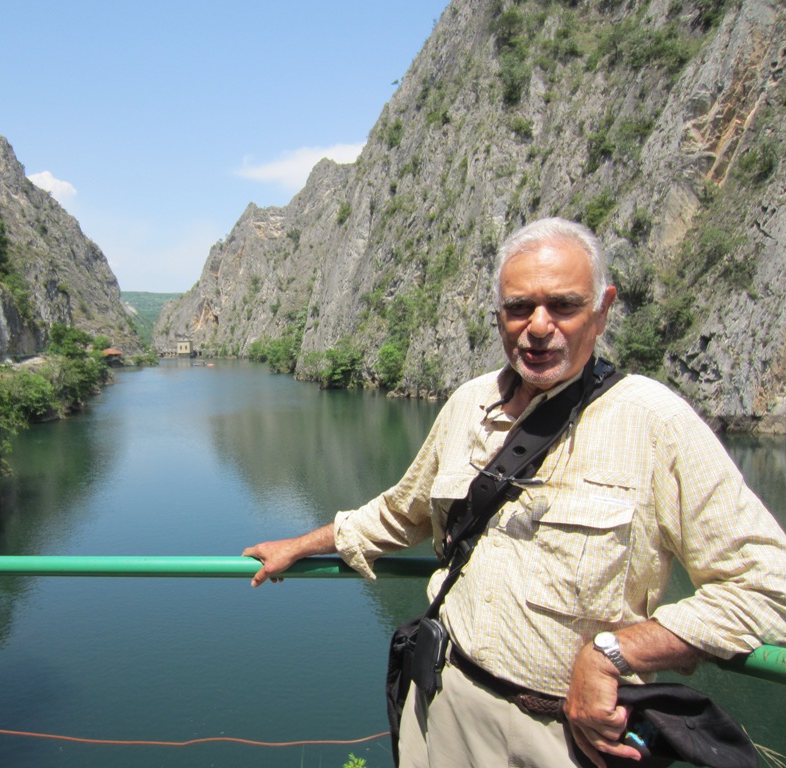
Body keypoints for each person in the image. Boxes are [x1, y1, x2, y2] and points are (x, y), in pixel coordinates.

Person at [243, 217, 786, 768]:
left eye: (564, 306)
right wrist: (304, 544)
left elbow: (767, 585)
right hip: (443, 707)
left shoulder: (655, 422)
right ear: (499, 316)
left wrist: (611, 654)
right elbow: (400, 512)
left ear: (602, 311)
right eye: (520, 307)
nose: (539, 326)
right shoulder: (467, 405)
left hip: (563, 736)